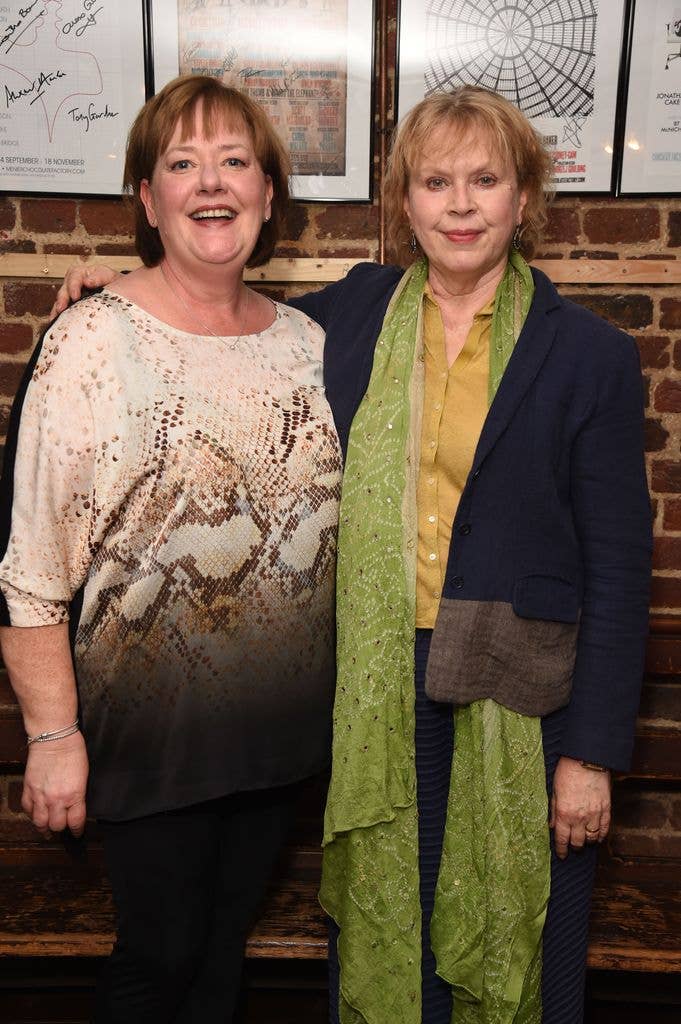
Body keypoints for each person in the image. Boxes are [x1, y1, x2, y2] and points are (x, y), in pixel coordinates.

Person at [55, 86, 652, 1024]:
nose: (459, 204)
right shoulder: (351, 317)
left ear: (523, 198)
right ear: (404, 204)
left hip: (524, 705)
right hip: (375, 690)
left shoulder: (590, 356)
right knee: (389, 936)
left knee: (521, 943)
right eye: (435, 182)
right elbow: (218, 316)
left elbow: (620, 576)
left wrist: (590, 756)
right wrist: (111, 295)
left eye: (484, 180)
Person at [0, 75, 342, 1024]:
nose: (211, 183)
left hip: (275, 734)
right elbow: (30, 565)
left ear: (269, 194)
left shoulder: (310, 344)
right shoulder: (93, 338)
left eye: (235, 162)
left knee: (220, 957)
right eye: (181, 164)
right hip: (150, 736)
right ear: (147, 201)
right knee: (161, 958)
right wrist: (53, 735)